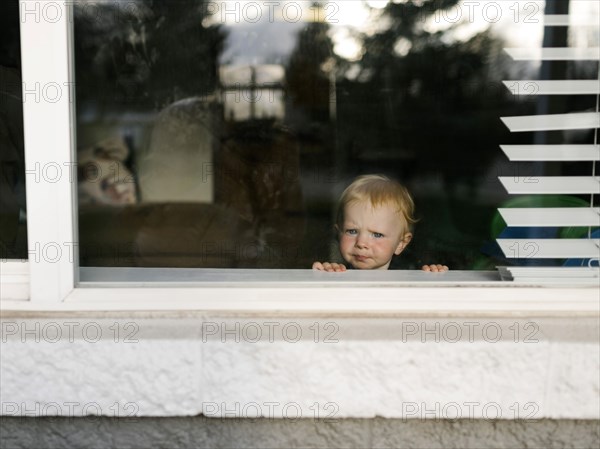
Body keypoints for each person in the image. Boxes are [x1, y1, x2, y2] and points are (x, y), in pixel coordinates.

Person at [312, 174, 448, 272]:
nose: (361, 243)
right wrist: (324, 277)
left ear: (401, 244)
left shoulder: (407, 278)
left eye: (377, 235)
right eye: (352, 231)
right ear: (338, 234)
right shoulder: (338, 273)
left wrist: (432, 278)